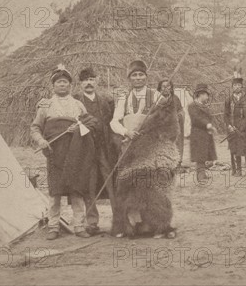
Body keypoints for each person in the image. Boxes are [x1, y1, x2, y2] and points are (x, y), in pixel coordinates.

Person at [30, 64, 97, 240]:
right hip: (54, 153)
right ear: (53, 86)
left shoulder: (79, 105)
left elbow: (89, 126)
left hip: (76, 153)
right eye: (59, 82)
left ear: (70, 85)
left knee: (77, 190)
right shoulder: (45, 105)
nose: (62, 85)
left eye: (65, 82)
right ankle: (53, 226)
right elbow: (35, 128)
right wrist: (41, 141)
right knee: (55, 192)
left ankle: (79, 226)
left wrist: (78, 127)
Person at [73, 67, 118, 236]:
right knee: (89, 185)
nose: (89, 83)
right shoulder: (75, 102)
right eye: (85, 80)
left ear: (97, 81)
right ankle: (92, 222)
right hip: (85, 150)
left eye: (92, 79)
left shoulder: (107, 101)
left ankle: (118, 220)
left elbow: (114, 123)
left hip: (105, 149)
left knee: (111, 182)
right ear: (80, 83)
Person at [110, 60, 160, 153]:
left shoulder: (156, 95)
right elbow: (114, 122)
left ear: (146, 77)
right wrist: (126, 132)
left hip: (151, 142)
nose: (138, 78)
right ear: (129, 78)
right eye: (134, 75)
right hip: (130, 143)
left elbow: (164, 119)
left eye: (141, 74)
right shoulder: (123, 98)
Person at [224, 72, 246, 176]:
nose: (237, 87)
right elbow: (226, 115)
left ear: (242, 86)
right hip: (233, 128)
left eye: (238, 85)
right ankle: (238, 170)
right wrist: (229, 126)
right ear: (232, 87)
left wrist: (243, 126)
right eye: (235, 85)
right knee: (235, 149)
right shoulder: (229, 100)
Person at [188, 83, 218, 182]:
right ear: (200, 94)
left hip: (206, 133)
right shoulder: (192, 106)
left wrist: (210, 126)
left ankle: (203, 174)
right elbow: (196, 119)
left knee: (205, 154)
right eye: (206, 94)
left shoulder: (204, 106)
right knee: (200, 156)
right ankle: (200, 177)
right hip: (198, 134)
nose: (207, 97)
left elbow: (209, 117)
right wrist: (208, 125)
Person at [158, 79, 185, 168]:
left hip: (175, 125)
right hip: (162, 126)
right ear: (160, 88)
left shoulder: (175, 98)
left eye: (168, 86)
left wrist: (179, 115)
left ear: (171, 88)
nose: (166, 88)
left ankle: (178, 164)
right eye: (163, 86)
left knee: (177, 143)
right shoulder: (157, 98)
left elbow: (181, 110)